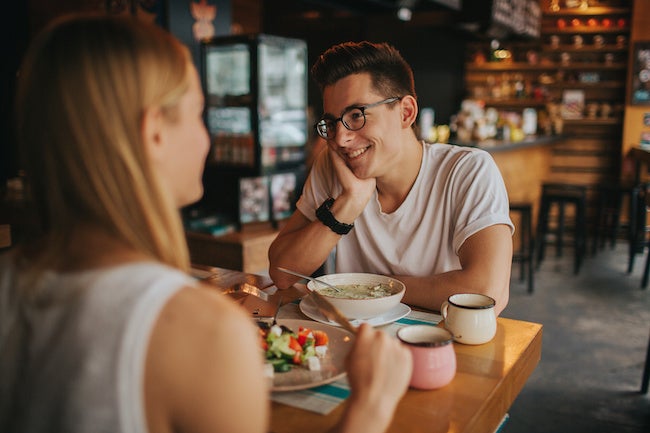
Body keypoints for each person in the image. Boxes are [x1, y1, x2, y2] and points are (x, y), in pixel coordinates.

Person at [0, 15, 412, 433]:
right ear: (154, 134)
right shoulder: (205, 334)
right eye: (200, 115)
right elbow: (281, 268)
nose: (209, 139)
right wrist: (372, 406)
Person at [269, 41, 514, 316]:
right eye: (333, 123)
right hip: (352, 342)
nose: (341, 138)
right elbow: (282, 274)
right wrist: (347, 206)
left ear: (406, 112)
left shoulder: (467, 171)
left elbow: (487, 292)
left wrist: (370, 291)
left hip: (439, 346)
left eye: (356, 115)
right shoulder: (334, 165)